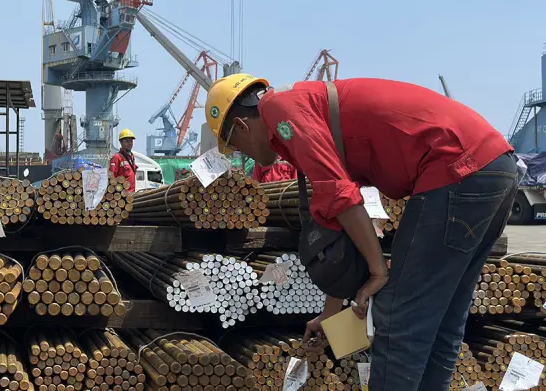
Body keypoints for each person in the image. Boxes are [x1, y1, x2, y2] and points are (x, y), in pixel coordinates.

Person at [205, 74, 519, 391]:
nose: (244, 155)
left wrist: (378, 271)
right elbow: (339, 224)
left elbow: (341, 196)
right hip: (492, 166)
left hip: (456, 167)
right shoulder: (306, 110)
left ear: (242, 128)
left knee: (398, 318)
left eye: (236, 148)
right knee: (443, 320)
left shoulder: (279, 107)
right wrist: (330, 315)